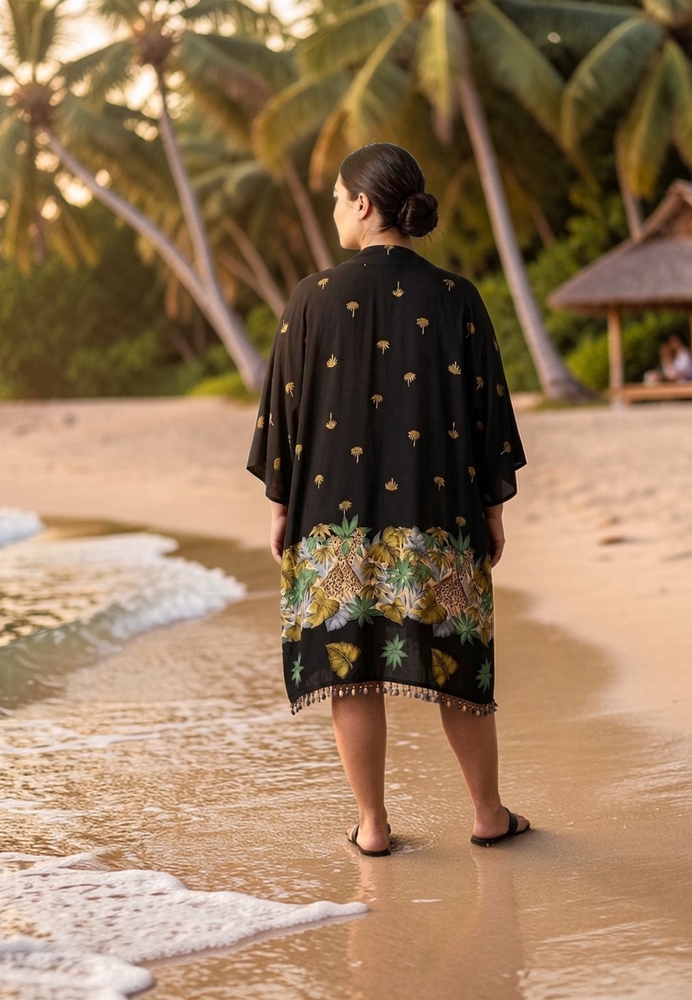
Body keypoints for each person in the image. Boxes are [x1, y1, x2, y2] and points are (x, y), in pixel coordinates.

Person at [247, 143, 530, 856]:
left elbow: (285, 412)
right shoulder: (458, 298)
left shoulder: (310, 300)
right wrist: (492, 511)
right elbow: (488, 411)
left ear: (365, 205)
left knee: (352, 665)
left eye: (340, 198)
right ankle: (488, 815)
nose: (336, 209)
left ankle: (372, 828)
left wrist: (282, 507)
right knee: (457, 669)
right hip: (439, 517)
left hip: (334, 519)